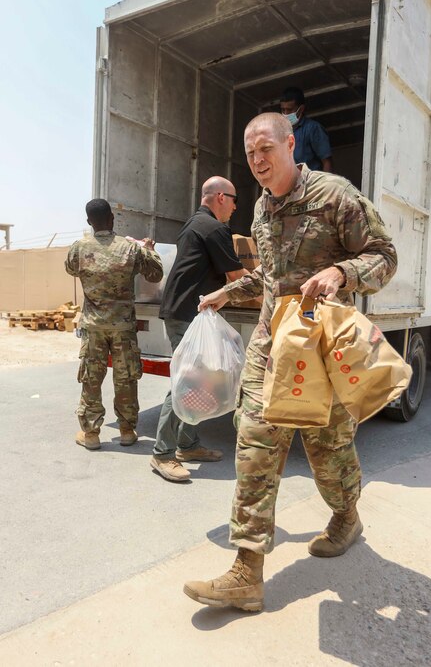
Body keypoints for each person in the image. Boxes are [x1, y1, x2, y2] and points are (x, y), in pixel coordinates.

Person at [183, 113, 397, 612]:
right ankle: (246, 572)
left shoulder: (334, 194)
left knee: (327, 451)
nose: (258, 160)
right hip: (270, 346)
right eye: (250, 152)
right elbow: (272, 276)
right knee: (255, 444)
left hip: (323, 350)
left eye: (266, 149)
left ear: (289, 144)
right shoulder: (260, 209)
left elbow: (384, 256)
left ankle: (346, 516)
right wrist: (227, 290)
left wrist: (342, 272)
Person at [150, 176, 248, 483]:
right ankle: (162, 454)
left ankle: (188, 445)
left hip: (186, 309)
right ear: (221, 197)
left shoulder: (194, 223)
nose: (234, 208)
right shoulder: (214, 228)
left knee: (202, 380)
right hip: (186, 313)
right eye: (234, 200)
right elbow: (236, 275)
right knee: (187, 382)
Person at [65, 198, 163, 450]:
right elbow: (156, 274)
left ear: (89, 221)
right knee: (126, 378)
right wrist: (149, 249)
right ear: (112, 218)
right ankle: (127, 430)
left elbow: (70, 269)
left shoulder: (79, 248)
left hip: (94, 327)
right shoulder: (129, 249)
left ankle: (91, 434)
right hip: (123, 328)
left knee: (91, 379)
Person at [280, 86, 333, 172]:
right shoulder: (279, 131)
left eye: (289, 110)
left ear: (301, 109)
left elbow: (327, 162)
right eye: (283, 109)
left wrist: (325, 184)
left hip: (311, 183)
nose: (285, 113)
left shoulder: (313, 129)